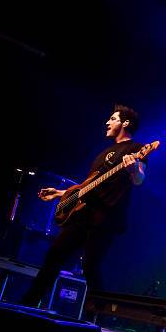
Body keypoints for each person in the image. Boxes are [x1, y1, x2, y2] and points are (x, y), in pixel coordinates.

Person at [21, 104, 146, 307]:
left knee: (90, 266)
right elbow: (88, 186)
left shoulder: (136, 149)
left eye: (112, 118)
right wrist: (60, 193)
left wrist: (133, 170)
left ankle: (99, 313)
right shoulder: (102, 154)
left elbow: (140, 179)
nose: (107, 122)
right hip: (82, 215)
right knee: (54, 255)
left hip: (105, 219)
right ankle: (28, 303)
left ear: (126, 123)